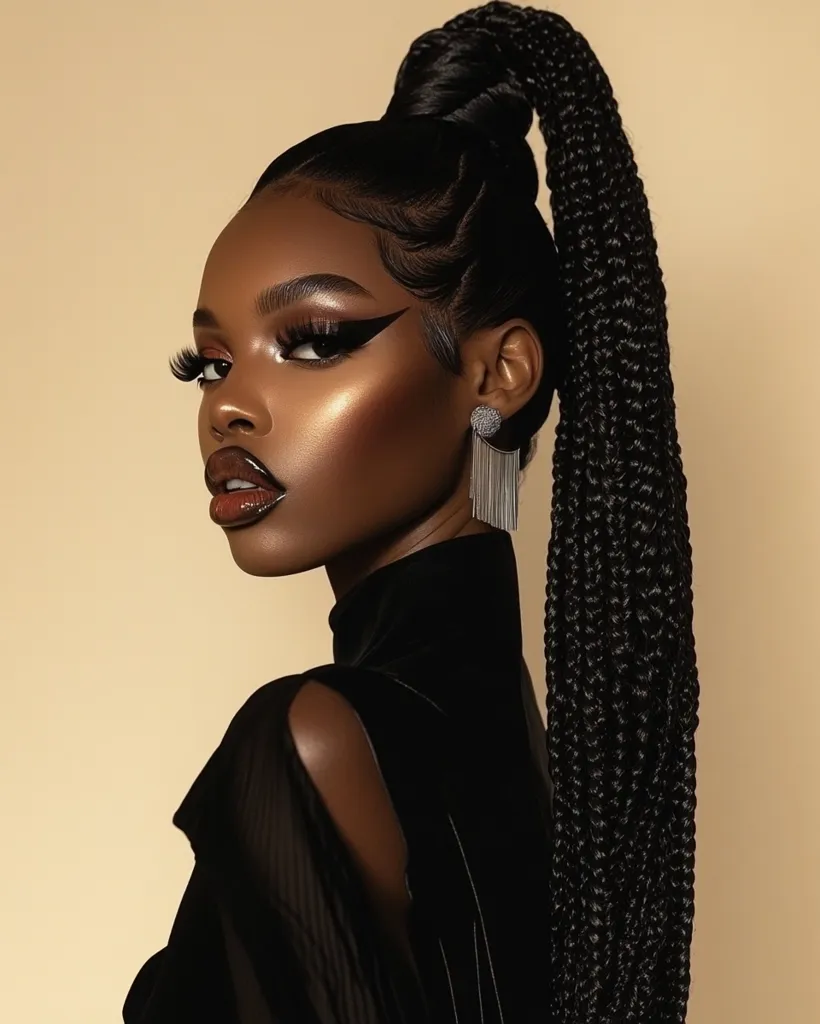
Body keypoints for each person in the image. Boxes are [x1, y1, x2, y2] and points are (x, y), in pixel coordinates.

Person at [123, 2, 700, 1022]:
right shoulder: (557, 770)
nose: (229, 403)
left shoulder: (318, 744)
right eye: (208, 361)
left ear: (499, 372)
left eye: (311, 338)